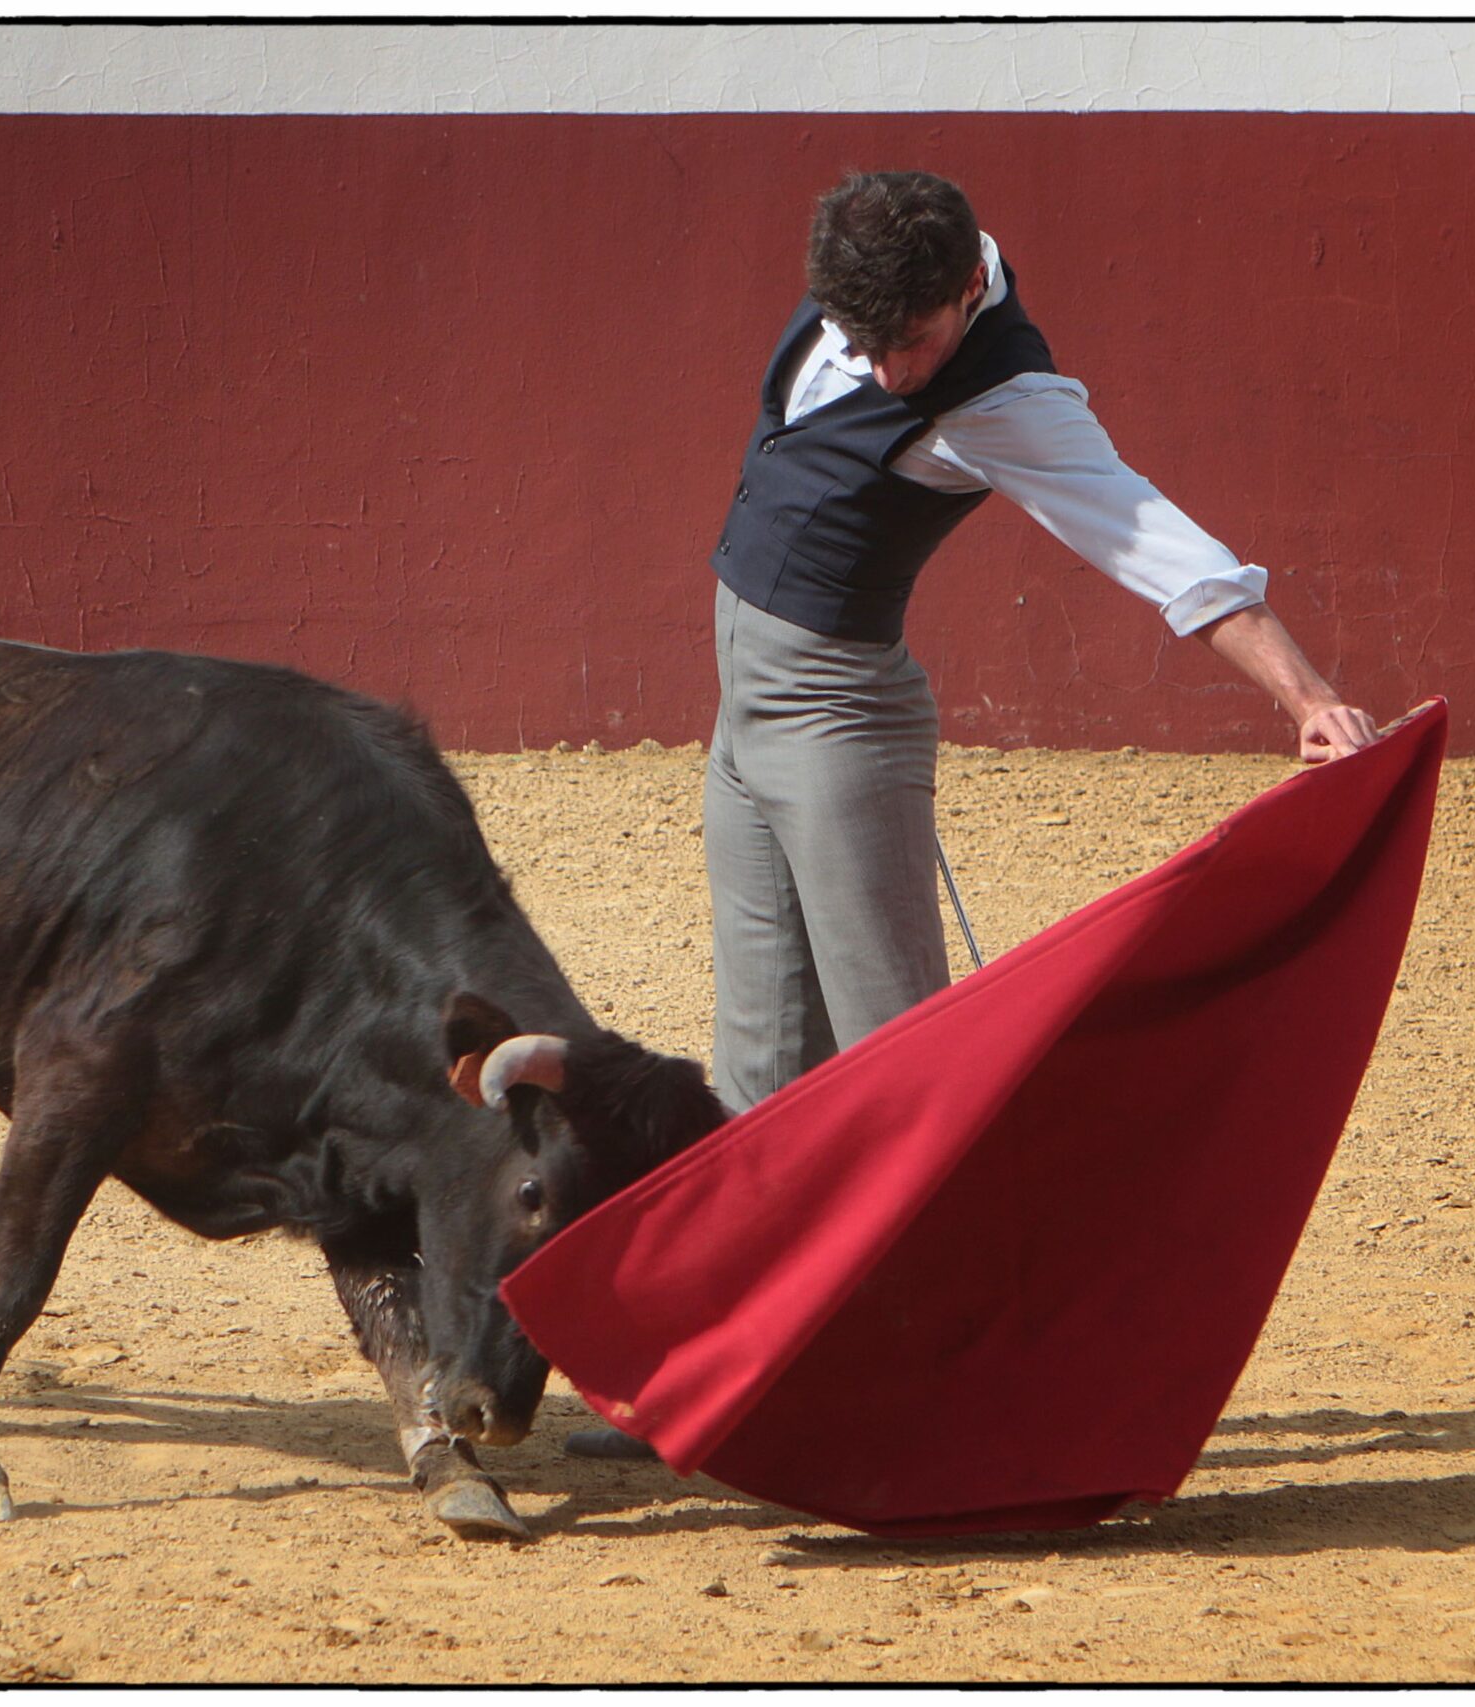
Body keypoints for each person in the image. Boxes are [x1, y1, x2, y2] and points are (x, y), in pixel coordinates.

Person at [565, 168, 1381, 1464]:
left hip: (836, 729)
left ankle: (954, 1391)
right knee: (763, 1063)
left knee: (900, 1070)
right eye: (868, 343)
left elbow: (1154, 542)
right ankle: (720, 1392)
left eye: (917, 342)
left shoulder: (1006, 394)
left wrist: (1310, 696)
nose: (892, 372)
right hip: (747, 723)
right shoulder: (876, 277)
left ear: (965, 294)